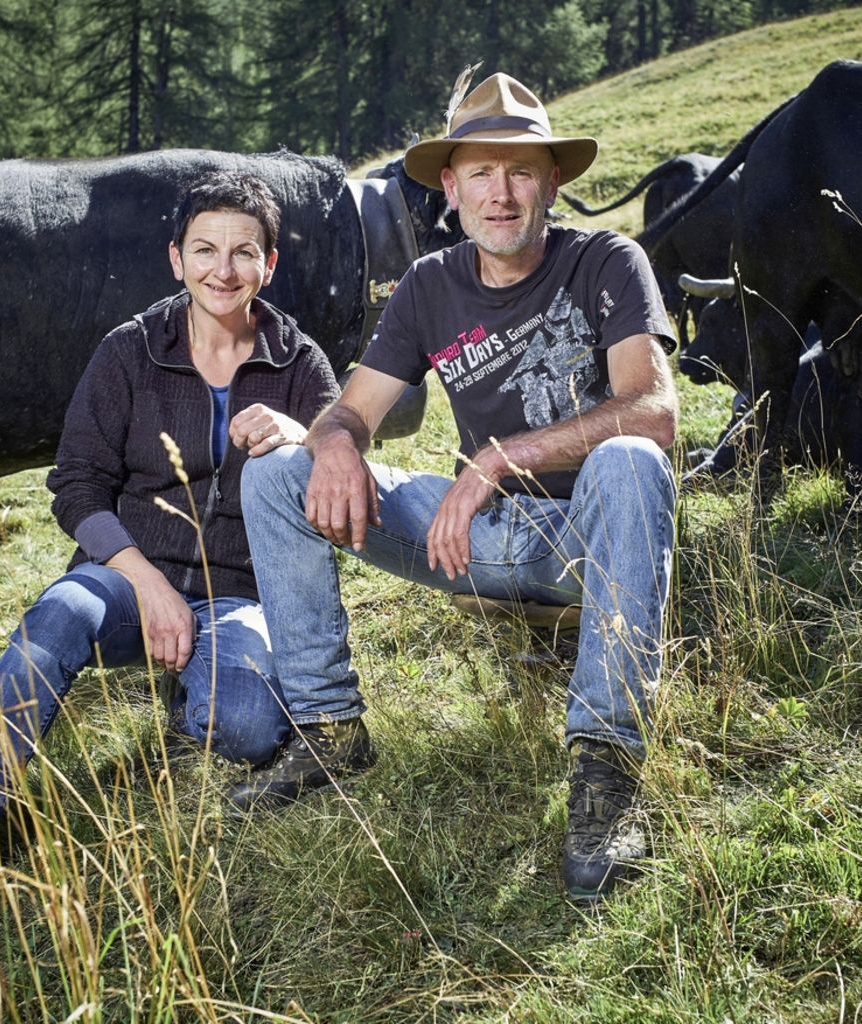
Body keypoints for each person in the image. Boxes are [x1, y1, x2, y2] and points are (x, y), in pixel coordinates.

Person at [232, 71, 679, 902]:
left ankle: (605, 769)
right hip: (469, 536)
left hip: (586, 534)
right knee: (279, 472)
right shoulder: (428, 285)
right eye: (480, 172)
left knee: (630, 459)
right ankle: (328, 728)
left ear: (553, 180)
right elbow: (350, 414)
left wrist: (497, 459)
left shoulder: (606, 260)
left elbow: (653, 413)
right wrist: (330, 443)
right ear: (451, 187)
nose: (500, 194)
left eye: (519, 171)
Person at [0, 172, 340, 940]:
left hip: (239, 595)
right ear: (176, 258)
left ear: (269, 265)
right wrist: (146, 583)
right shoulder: (131, 351)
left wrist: (310, 442)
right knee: (54, 619)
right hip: (121, 577)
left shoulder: (300, 363)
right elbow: (74, 488)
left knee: (242, 728)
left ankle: (191, 687)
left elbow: (343, 484)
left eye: (244, 253)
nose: (223, 270)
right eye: (205, 249)